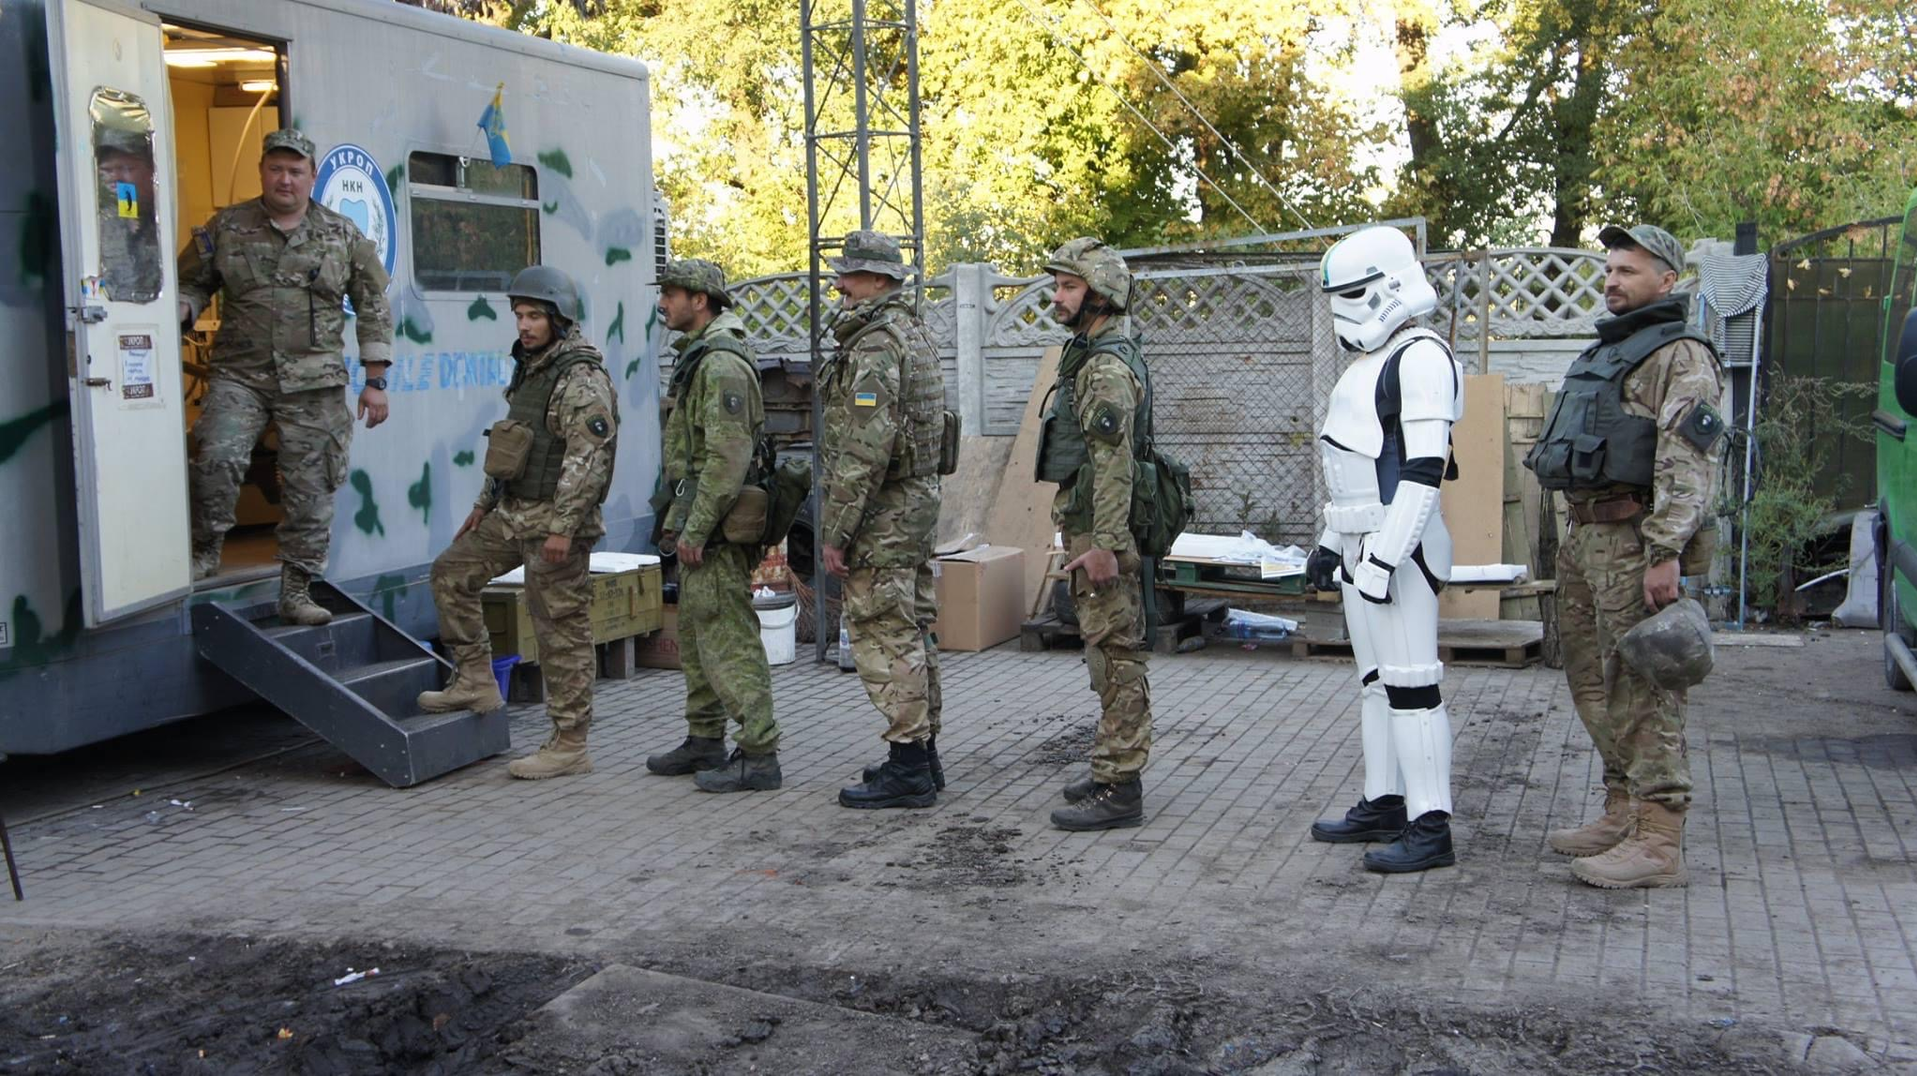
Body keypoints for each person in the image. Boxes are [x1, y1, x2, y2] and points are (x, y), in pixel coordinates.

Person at [1524, 223, 1725, 888]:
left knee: (1642, 686)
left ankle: (1660, 839)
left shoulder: (1681, 354)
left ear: (1666, 280)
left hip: (1635, 539)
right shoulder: (1609, 351)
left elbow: (1686, 461)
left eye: (1628, 271)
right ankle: (1622, 808)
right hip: (1585, 537)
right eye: (1609, 270)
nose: (1611, 281)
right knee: (1589, 680)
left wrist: (1663, 551)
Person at [177, 129, 393, 624]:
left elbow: (374, 305)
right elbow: (193, 280)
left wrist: (375, 380)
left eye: (296, 171)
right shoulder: (229, 227)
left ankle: (296, 588)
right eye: (276, 168)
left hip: (314, 383)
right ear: (262, 172)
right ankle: (205, 550)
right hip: (241, 374)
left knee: (312, 486)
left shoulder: (342, 235)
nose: (285, 179)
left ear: (312, 177)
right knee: (218, 456)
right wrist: (185, 307)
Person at [1304, 225, 1465, 874]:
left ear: (1389, 285)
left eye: (1353, 294)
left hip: (1398, 552)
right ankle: (1383, 799)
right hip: (1358, 543)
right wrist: (1329, 545)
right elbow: (1352, 465)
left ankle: (1430, 824)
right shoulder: (1373, 363)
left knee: (1410, 685)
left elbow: (1423, 473)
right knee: (1375, 684)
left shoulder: (1422, 357)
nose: (1344, 309)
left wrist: (1383, 558)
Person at [416, 266, 619, 780]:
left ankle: (570, 742)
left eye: (533, 316)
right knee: (449, 573)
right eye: (519, 315)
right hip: (513, 513)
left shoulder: (581, 378)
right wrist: (484, 504)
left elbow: (589, 460)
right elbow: (511, 443)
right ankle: (476, 679)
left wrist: (564, 529)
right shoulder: (532, 367)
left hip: (556, 524)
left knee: (560, 630)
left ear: (558, 317)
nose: (523, 325)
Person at [643, 259, 783, 794]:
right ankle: (704, 738)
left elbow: (726, 459)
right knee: (699, 633)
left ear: (700, 300)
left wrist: (697, 530)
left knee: (728, 635)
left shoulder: (721, 363)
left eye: (672, 293)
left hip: (718, 526)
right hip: (699, 518)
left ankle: (758, 753)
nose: (663, 303)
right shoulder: (700, 358)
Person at [819, 231, 948, 810]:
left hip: (886, 513)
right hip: (913, 504)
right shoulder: (910, 332)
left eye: (849, 275)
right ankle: (922, 756)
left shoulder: (875, 343)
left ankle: (909, 767)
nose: (839, 285)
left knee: (884, 633)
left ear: (878, 282)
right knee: (915, 629)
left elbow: (865, 447)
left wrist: (837, 531)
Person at [1034, 237, 1155, 831]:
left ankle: (1122, 787)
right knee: (1105, 651)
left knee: (1115, 654)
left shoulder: (1104, 366)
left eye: (1068, 287)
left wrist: (1106, 544)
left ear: (1099, 296)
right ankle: (1111, 768)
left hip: (1099, 531)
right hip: (1087, 524)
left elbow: (1113, 462)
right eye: (1057, 285)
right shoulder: (1093, 352)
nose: (1056, 296)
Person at [95, 125, 162, 302]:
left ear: (151, 171)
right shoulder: (97, 224)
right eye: (107, 170)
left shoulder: (163, 218)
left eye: (127, 168)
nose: (115, 177)